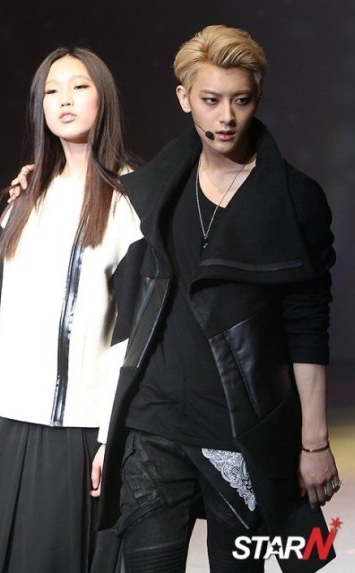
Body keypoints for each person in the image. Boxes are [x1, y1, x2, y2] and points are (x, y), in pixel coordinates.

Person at [94, 24, 340, 573]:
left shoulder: (294, 199)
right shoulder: (158, 184)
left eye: (241, 100)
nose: (226, 116)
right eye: (210, 100)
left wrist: (314, 443)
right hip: (154, 426)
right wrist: (34, 179)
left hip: (239, 432)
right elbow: (90, 191)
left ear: (257, 98)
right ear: (184, 98)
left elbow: (307, 325)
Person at [0, 46, 141, 573]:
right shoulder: (25, 198)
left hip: (80, 431)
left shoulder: (130, 201)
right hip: (11, 421)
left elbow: (131, 333)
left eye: (79, 87)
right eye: (51, 91)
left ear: (104, 98)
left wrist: (112, 435)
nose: (64, 100)